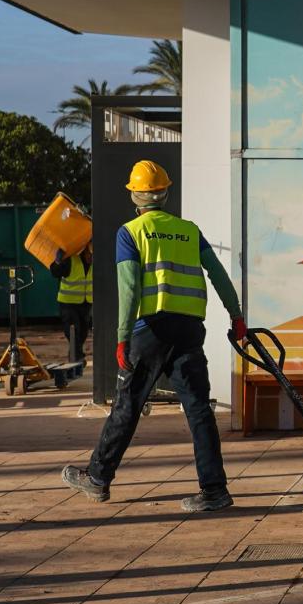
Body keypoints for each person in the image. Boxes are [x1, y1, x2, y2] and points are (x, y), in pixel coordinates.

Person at [61, 160, 247, 512]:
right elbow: (219, 274)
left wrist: (121, 337)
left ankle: (98, 478)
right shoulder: (189, 231)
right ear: (165, 192)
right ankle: (215, 491)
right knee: (198, 411)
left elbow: (129, 289)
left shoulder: (130, 232)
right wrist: (236, 315)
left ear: (135, 194)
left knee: (128, 404)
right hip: (189, 330)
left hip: (151, 330)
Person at [50, 242, 94, 364]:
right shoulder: (70, 258)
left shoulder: (94, 260)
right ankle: (77, 358)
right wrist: (58, 261)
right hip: (68, 302)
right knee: (74, 331)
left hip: (85, 302)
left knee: (83, 332)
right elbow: (55, 272)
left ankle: (75, 355)